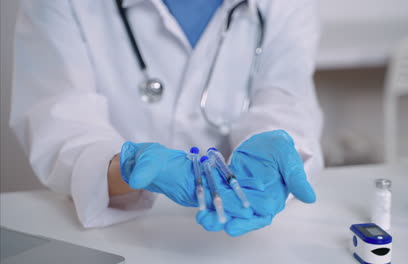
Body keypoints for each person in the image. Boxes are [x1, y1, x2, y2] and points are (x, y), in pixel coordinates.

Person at [10, 0, 323, 236]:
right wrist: (124, 165)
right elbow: (62, 120)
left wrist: (275, 151)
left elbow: (285, 100)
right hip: (113, 234)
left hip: (240, 242)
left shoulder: (285, 6)